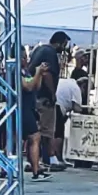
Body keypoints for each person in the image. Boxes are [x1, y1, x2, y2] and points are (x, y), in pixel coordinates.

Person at [26, 32, 68, 175]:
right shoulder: (50, 53)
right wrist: (52, 94)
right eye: (64, 45)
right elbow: (47, 74)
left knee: (34, 131)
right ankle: (47, 160)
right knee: (46, 130)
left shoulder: (39, 49)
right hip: (44, 97)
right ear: (60, 42)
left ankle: (34, 160)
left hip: (34, 96)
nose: (64, 48)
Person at [53, 66, 82, 170]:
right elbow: (77, 108)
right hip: (57, 106)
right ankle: (58, 158)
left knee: (51, 133)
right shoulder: (76, 88)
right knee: (59, 134)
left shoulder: (66, 81)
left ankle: (53, 158)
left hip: (51, 102)